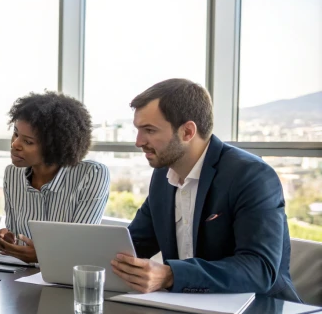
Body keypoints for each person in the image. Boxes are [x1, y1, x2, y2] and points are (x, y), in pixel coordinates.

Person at [114, 78, 301, 302]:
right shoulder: (163, 177)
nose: (138, 141)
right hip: (190, 312)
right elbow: (134, 245)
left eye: (149, 130)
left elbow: (260, 269)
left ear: (187, 132)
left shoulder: (251, 176)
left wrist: (171, 275)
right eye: (138, 130)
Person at [0, 91, 111, 264]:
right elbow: (17, 235)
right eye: (16, 134)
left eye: (28, 142)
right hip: (21, 276)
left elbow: (80, 246)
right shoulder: (12, 174)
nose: (15, 144)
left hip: (66, 279)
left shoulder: (91, 175)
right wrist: (6, 241)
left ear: (54, 147)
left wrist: (44, 254)